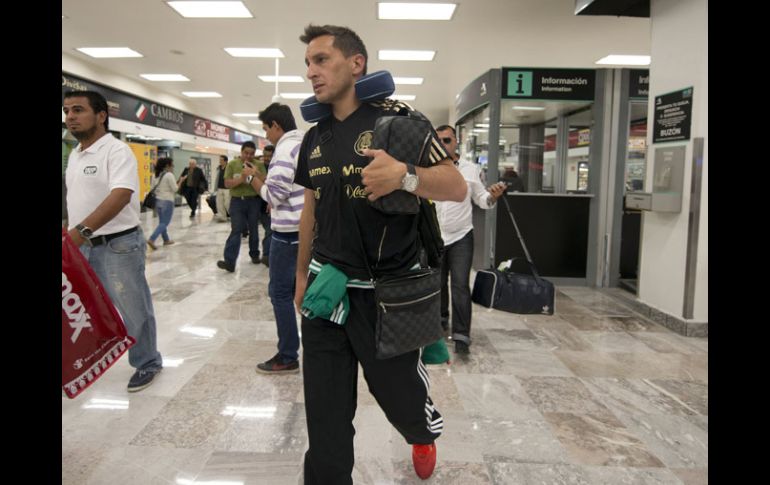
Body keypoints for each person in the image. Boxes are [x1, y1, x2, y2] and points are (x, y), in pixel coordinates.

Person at [293, 25, 466, 483]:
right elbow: (311, 208)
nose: (311, 71)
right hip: (327, 292)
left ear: (356, 63)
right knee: (325, 420)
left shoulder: (402, 123)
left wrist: (406, 177)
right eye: (308, 62)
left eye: (322, 59)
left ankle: (420, 433)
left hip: (387, 297)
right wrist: (299, 279)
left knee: (401, 398)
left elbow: (455, 186)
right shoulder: (315, 136)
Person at [63, 90, 163, 392]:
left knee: (133, 308)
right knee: (83, 309)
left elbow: (121, 195)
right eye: (67, 111)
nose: (70, 117)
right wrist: (71, 228)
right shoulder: (76, 154)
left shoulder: (116, 151)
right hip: (81, 245)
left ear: (101, 116)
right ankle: (90, 359)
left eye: (78, 110)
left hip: (117, 246)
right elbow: (78, 198)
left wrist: (79, 231)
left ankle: (148, 361)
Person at [242, 104, 304, 374]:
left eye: (266, 128)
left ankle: (288, 354)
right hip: (308, 231)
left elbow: (273, 196)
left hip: (288, 235)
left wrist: (253, 180)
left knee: (280, 294)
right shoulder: (305, 143)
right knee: (306, 292)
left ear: (276, 125)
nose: (266, 135)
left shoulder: (283, 150)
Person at [434, 125, 506, 355]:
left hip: (461, 235)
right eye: (439, 141)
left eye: (447, 140)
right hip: (435, 237)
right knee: (437, 285)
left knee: (460, 285)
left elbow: (482, 200)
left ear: (456, 142)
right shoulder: (428, 168)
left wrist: (492, 197)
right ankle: (440, 322)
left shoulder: (470, 169)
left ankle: (462, 335)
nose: (443, 145)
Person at [217, 141, 265, 272]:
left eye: (252, 154)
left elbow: (266, 181)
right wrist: (242, 179)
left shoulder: (259, 165)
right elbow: (227, 184)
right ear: (241, 151)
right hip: (237, 201)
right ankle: (229, 261)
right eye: (246, 153)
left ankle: (254, 254)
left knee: (254, 229)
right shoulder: (232, 164)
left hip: (254, 201)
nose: (249, 156)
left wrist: (256, 174)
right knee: (236, 229)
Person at [146, 157, 178, 249]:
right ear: (167, 165)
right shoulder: (169, 175)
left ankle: (166, 240)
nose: (173, 167)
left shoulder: (155, 175)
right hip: (167, 201)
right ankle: (152, 239)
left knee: (162, 222)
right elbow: (175, 189)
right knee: (165, 223)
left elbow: (152, 188)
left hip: (158, 201)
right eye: (172, 165)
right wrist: (181, 181)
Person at [214, 155, 231, 222]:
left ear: (225, 161)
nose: (220, 161)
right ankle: (222, 217)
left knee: (227, 203)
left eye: (221, 160)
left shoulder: (229, 168)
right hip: (219, 187)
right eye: (220, 160)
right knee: (219, 203)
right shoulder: (219, 168)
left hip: (227, 188)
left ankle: (233, 215)